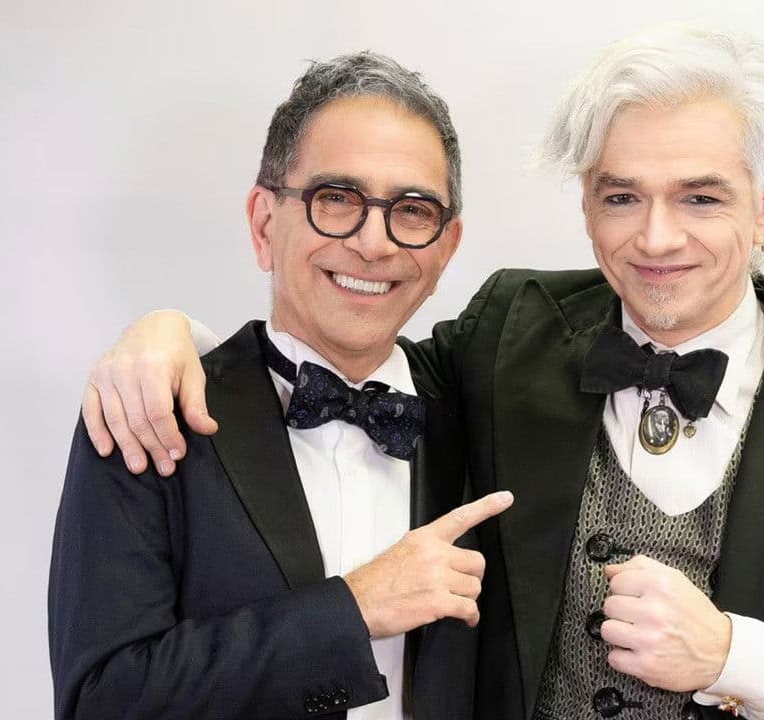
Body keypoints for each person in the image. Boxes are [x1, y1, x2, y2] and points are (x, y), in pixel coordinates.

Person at [81, 28, 764, 720]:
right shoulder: (512, 329)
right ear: (586, 203)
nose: (657, 237)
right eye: (621, 196)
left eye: (701, 196)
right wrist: (170, 337)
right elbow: (346, 355)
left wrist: (729, 654)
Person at [49, 51, 515, 720]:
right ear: (265, 223)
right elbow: (102, 701)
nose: (374, 243)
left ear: (446, 246)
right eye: (337, 199)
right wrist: (354, 609)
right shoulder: (150, 407)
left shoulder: (481, 409)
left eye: (412, 210)